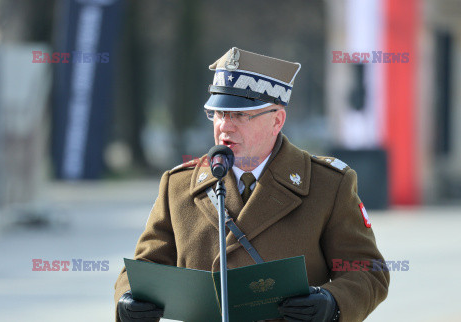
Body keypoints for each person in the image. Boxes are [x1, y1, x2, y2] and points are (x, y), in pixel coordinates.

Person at [115, 47, 389, 322]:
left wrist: (333, 303)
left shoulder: (327, 185)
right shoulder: (179, 185)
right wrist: (127, 300)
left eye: (240, 115)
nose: (225, 126)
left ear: (277, 120)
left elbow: (367, 270)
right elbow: (144, 268)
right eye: (219, 114)